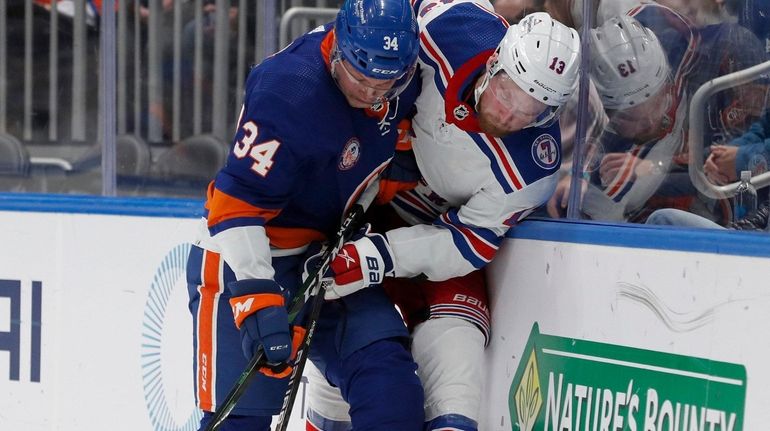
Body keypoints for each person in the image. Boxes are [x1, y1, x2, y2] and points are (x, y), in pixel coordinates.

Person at [306, 5, 581, 431]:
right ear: (495, 64)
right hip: (359, 202)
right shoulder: (452, 24)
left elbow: (466, 243)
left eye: (531, 111)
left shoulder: (533, 168)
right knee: (345, 353)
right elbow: (366, 41)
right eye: (508, 94)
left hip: (430, 231)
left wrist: (378, 255)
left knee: (458, 349)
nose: (509, 117)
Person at [184, 1, 425, 430]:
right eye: (361, 77)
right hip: (246, 258)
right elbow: (234, 203)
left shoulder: (401, 76)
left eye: (386, 83)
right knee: (241, 422)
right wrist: (258, 296)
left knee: (390, 388)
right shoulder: (287, 90)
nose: (373, 93)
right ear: (338, 47)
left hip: (328, 259)